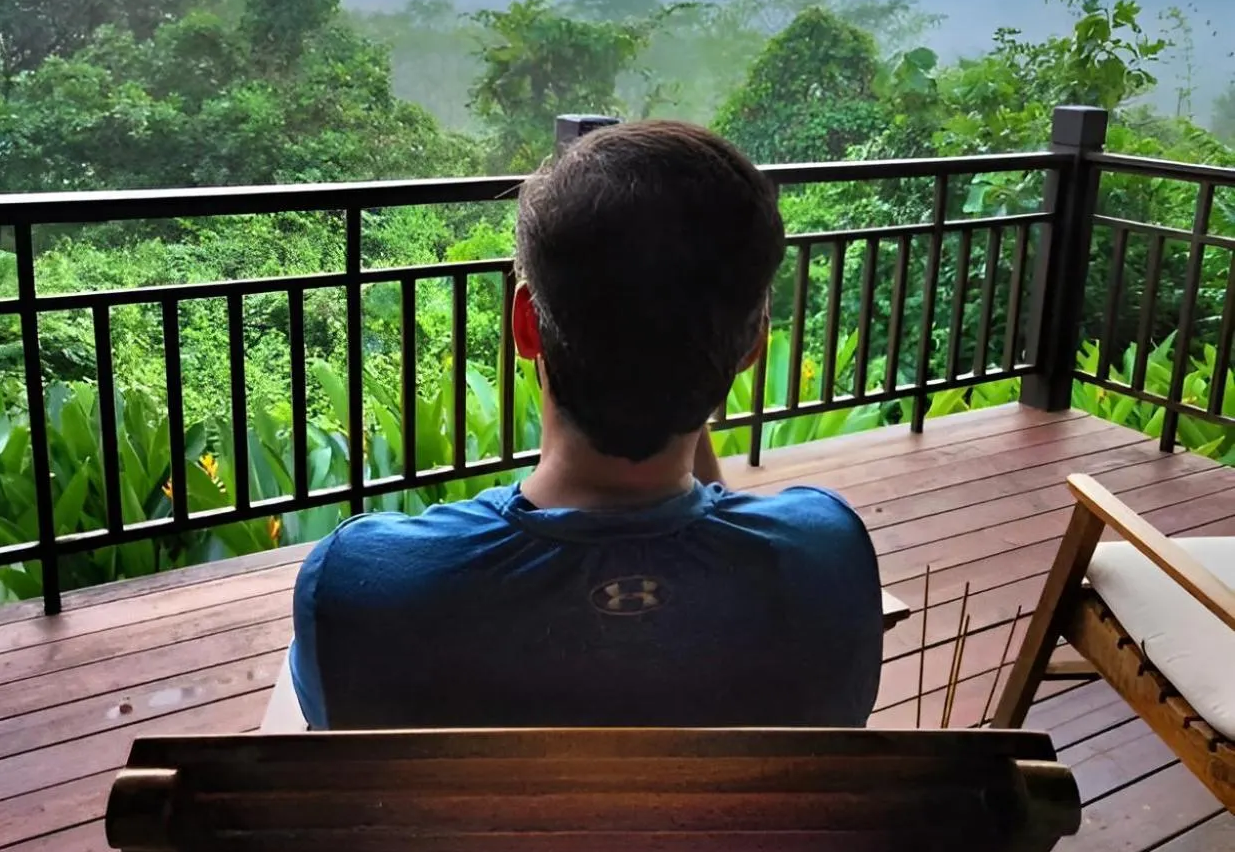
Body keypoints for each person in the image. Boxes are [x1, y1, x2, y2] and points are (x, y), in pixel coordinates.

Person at [290, 120, 883, 729]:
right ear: (754, 344)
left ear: (525, 325)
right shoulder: (827, 558)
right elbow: (724, 536)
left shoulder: (360, 588)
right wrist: (677, 358)